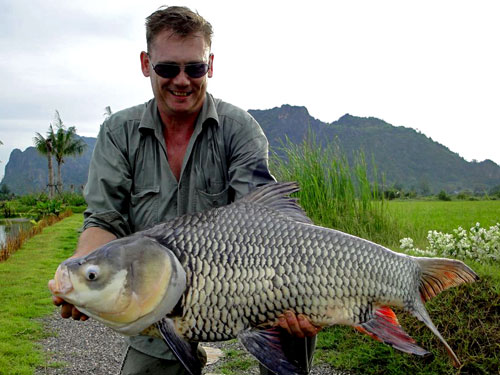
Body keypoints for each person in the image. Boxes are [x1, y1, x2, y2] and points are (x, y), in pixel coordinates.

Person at [50, 6, 319, 374]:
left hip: (240, 283)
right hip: (154, 294)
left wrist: (287, 290)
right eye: (167, 68)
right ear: (146, 64)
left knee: (294, 328)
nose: (182, 80)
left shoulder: (239, 128)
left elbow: (264, 221)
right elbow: (104, 218)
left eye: (194, 68)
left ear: (210, 66)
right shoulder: (118, 132)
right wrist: (85, 274)